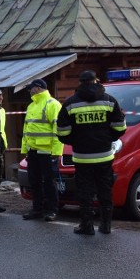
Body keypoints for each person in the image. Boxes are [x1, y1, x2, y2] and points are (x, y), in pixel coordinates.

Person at [56, 70, 126, 235]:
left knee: (85, 191)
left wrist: (77, 141)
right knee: (105, 189)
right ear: (96, 81)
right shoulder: (109, 100)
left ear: (80, 82)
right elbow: (120, 128)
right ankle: (106, 225)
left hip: (82, 157)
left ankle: (87, 226)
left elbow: (62, 132)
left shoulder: (71, 103)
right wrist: (107, 138)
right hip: (104, 155)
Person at [20, 78, 63, 222]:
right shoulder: (31, 106)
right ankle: (37, 209)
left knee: (49, 182)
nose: (29, 90)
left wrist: (56, 152)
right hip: (33, 151)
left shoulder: (53, 104)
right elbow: (26, 130)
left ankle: (52, 210)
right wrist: (25, 149)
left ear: (37, 88)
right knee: (34, 181)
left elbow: (58, 130)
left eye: (30, 88)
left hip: (47, 151)